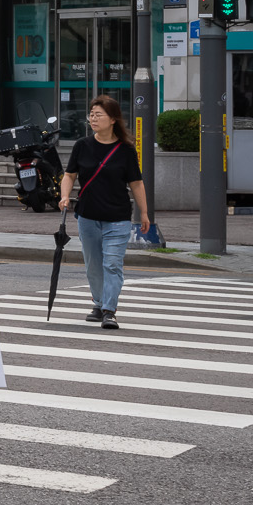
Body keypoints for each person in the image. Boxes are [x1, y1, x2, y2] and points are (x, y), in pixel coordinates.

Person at [58, 94, 147, 330]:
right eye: (91, 114)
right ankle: (98, 303)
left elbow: (136, 183)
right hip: (87, 216)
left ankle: (109, 310)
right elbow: (69, 175)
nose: (93, 118)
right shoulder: (82, 146)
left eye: (99, 115)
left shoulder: (126, 150)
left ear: (113, 119)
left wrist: (144, 214)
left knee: (112, 265)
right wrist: (64, 196)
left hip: (117, 218)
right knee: (94, 265)